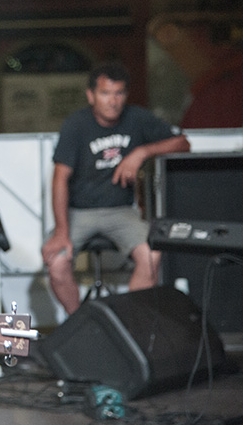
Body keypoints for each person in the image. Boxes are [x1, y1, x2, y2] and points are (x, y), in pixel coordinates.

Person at [41, 62, 190, 315]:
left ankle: (127, 327)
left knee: (152, 254)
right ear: (91, 95)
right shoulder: (76, 125)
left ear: (126, 95)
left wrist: (141, 152)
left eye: (119, 93)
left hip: (121, 210)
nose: (113, 101)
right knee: (56, 262)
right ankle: (80, 324)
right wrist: (61, 232)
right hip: (79, 212)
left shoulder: (137, 118)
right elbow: (59, 179)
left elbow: (183, 143)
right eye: (105, 93)